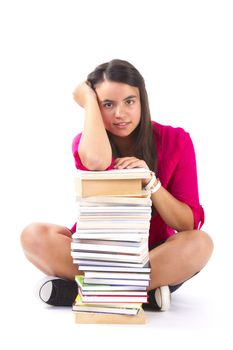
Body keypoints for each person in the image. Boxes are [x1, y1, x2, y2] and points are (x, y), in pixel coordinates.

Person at [20, 59, 213, 311]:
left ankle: (84, 291)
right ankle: (142, 294)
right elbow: (98, 161)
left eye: (129, 102)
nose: (120, 114)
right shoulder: (87, 142)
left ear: (142, 100)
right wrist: (89, 100)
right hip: (97, 254)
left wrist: (150, 181)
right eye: (107, 104)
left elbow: (187, 224)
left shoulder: (175, 140)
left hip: (152, 256)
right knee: (33, 236)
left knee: (200, 243)